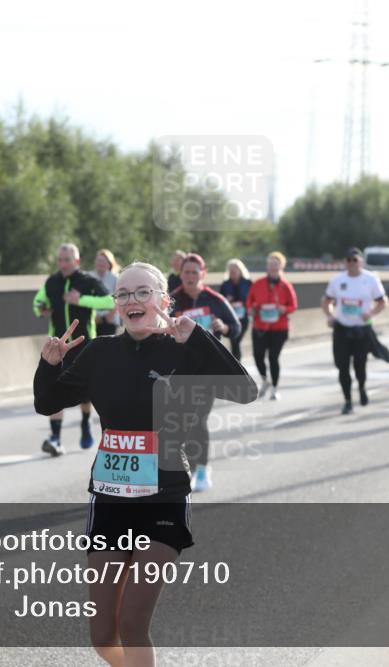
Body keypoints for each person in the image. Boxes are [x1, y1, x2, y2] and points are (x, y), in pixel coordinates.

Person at [33, 262, 256, 667]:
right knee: (102, 636)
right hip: (110, 499)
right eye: (123, 294)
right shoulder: (100, 353)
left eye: (142, 292)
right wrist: (48, 364)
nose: (132, 301)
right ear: (115, 305)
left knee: (132, 622)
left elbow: (245, 391)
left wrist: (199, 339)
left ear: (163, 301)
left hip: (163, 497)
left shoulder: (182, 351)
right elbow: (47, 403)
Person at [33, 243, 116, 455]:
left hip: (85, 345)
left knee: (87, 394)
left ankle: (86, 422)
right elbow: (38, 302)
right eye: (60, 260)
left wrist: (82, 300)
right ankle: (55, 438)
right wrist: (41, 309)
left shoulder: (88, 281)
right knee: (54, 388)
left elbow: (109, 300)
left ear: (76, 261)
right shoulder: (52, 281)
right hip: (58, 347)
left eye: (67, 260)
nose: (63, 264)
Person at [170, 254, 241, 492]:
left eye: (194, 272)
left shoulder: (215, 300)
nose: (189, 277)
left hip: (207, 372)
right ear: (180, 274)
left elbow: (237, 327)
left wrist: (225, 327)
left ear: (203, 273)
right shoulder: (172, 300)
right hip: (178, 371)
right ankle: (189, 465)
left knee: (197, 420)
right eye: (186, 272)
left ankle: (202, 469)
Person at [322, 247, 387, 415]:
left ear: (361, 262)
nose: (351, 264)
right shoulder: (337, 280)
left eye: (355, 260)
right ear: (345, 262)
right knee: (342, 366)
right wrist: (330, 315)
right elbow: (327, 300)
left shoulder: (371, 279)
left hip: (362, 329)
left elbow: (382, 301)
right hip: (342, 328)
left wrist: (371, 313)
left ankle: (362, 387)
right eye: (348, 260)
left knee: (360, 365)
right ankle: (348, 400)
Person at [245, 252, 298, 398]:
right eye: (270, 264)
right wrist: (252, 308)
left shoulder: (286, 286)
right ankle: (264, 380)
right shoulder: (258, 283)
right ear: (267, 267)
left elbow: (293, 306)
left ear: (281, 266)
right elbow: (249, 301)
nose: (273, 267)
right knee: (258, 356)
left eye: (276, 264)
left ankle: (274, 387)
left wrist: (284, 309)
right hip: (260, 327)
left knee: (273, 357)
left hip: (279, 328)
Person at [218, 259, 253, 361]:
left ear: (240, 270)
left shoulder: (248, 283)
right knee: (234, 340)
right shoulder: (225, 284)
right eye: (230, 270)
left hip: (244, 317)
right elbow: (220, 299)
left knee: (236, 340)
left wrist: (246, 304)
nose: (232, 272)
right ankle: (238, 365)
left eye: (235, 269)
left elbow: (253, 298)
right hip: (231, 317)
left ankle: (236, 364)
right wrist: (228, 301)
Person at [94, 249, 121, 337]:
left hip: (110, 320)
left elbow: (119, 298)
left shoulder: (115, 279)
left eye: (103, 261)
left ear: (109, 263)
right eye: (99, 261)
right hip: (94, 320)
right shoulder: (90, 278)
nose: (101, 263)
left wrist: (110, 315)